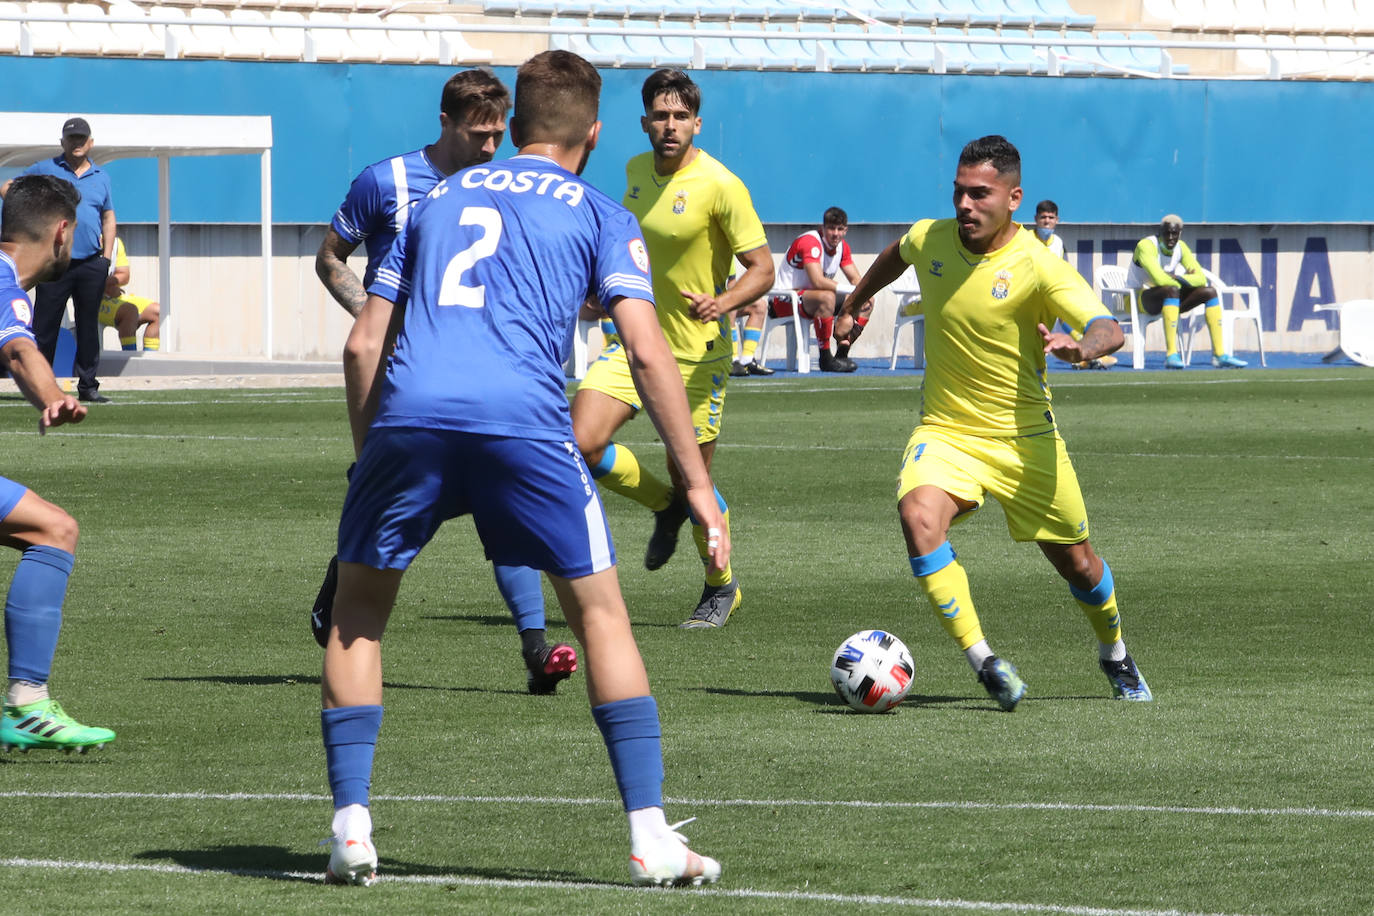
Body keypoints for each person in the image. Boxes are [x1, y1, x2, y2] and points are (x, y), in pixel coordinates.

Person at [319, 50, 725, 889]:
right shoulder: (603, 213)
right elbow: (648, 357)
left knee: (358, 616)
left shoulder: (438, 197)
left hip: (409, 418)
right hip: (524, 425)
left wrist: (373, 459)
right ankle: (650, 837)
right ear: (595, 131)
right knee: (602, 618)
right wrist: (696, 489)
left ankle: (352, 828)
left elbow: (364, 340)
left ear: (520, 123)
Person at [840, 135, 1152, 711]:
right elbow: (896, 255)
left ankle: (1115, 653)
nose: (965, 205)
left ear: (1014, 198)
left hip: (1025, 440)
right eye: (959, 192)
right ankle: (985, 664)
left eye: (980, 194)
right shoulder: (930, 237)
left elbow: (1110, 328)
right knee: (917, 515)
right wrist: (856, 301)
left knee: (1080, 565)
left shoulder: (1038, 264)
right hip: (947, 431)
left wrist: (1080, 347)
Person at [309, 69, 577, 695]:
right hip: (399, 368)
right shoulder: (386, 182)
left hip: (476, 367)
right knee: (379, 489)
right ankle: (340, 597)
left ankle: (536, 648)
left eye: (496, 135)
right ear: (446, 123)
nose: (489, 148)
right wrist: (376, 319)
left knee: (501, 496)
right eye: (478, 135)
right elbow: (330, 256)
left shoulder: (505, 184)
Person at [571, 68, 773, 629]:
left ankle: (720, 586)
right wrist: (598, 286)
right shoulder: (635, 172)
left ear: (697, 123)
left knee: (694, 480)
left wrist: (724, 300)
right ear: (643, 123)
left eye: (681, 116)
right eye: (660, 115)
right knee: (580, 443)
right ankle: (664, 507)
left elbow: (763, 270)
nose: (670, 125)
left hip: (696, 355)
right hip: (634, 341)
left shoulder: (721, 185)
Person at [0, 175, 116, 754]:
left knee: (51, 526)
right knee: (55, 530)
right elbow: (21, 348)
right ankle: (26, 704)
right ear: (64, 231)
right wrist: (51, 396)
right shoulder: (4, 282)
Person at [0, 117, 116, 403]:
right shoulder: (45, 170)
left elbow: (109, 217)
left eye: (81, 138)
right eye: (71, 138)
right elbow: (8, 188)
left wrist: (106, 259)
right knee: (44, 326)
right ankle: (42, 384)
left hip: (91, 262)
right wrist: (31, 221)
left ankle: (88, 386)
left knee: (88, 327)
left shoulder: (101, 176)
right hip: (54, 266)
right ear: (62, 142)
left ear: (91, 142)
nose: (76, 143)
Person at [1129, 214, 1248, 369]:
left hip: (1168, 297)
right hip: (1137, 298)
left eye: (1174, 233)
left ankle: (1219, 355)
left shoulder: (1181, 248)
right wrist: (1183, 281)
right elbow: (1159, 279)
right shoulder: (1146, 246)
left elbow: (1200, 279)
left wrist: (1179, 278)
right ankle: (1171, 355)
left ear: (1180, 233)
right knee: (1171, 290)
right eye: (1167, 233)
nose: (1170, 237)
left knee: (1209, 292)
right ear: (1160, 232)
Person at [770, 206, 874, 373]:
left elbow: (856, 279)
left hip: (812, 299)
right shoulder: (810, 242)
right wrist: (852, 290)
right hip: (783, 299)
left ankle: (842, 353)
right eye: (831, 228)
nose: (835, 233)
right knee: (827, 297)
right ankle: (825, 358)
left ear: (845, 230)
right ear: (823, 228)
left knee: (867, 301)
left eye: (840, 229)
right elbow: (817, 281)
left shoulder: (842, 247)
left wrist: (863, 294)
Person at [1035, 200, 1116, 370]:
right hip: (1031, 294)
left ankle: (1084, 353)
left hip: (1050, 292)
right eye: (1043, 218)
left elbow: (1064, 269)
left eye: (1051, 217)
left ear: (1057, 220)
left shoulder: (1058, 243)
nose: (1047, 221)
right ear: (1036, 219)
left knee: (1065, 311)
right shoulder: (1027, 240)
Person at [99, 237, 161, 352]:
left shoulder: (116, 242)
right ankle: (130, 359)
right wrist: (106, 286)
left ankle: (148, 362)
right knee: (130, 311)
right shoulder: (84, 240)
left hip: (114, 296)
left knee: (158, 311)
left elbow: (124, 275)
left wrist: (108, 283)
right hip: (92, 301)